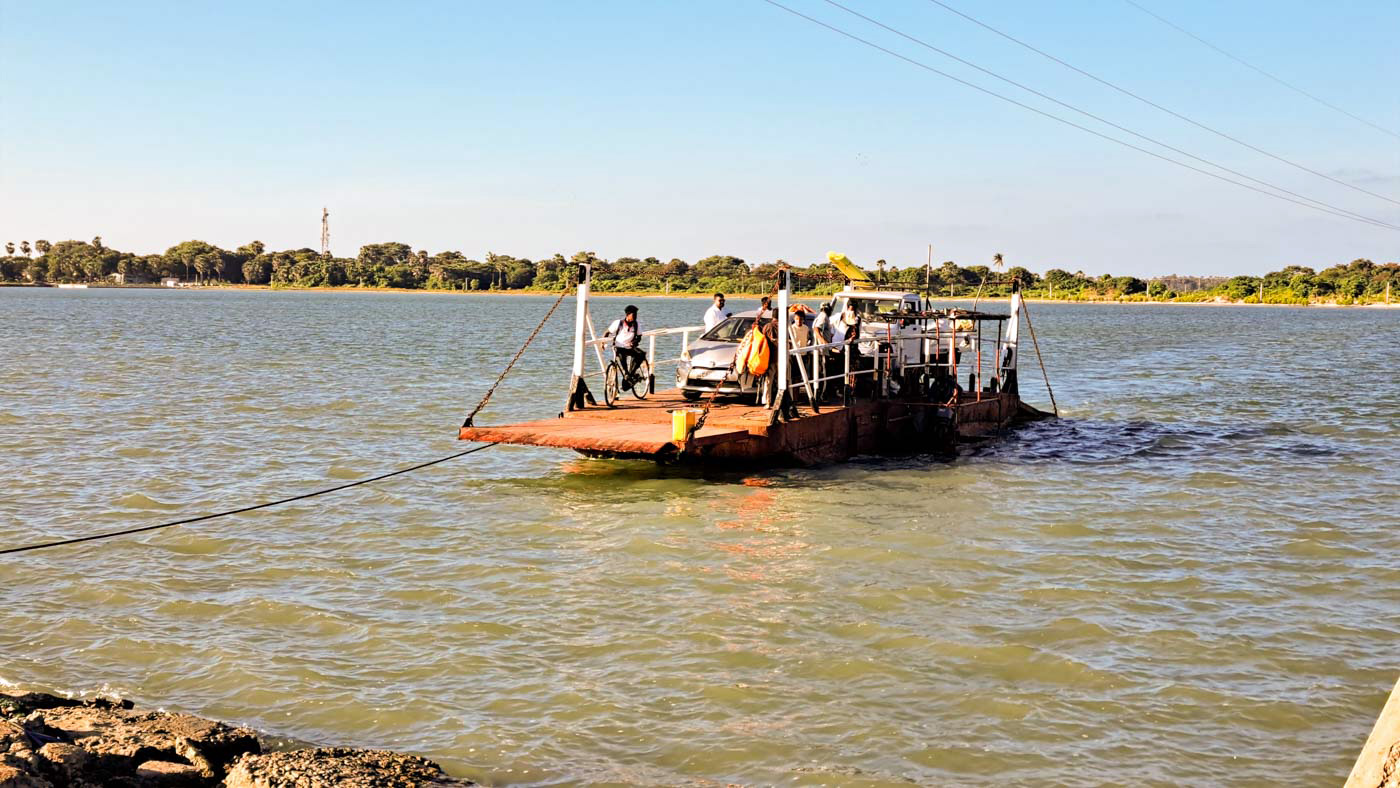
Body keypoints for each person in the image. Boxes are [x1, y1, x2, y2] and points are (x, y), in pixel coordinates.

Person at [604, 305, 646, 381]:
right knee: (621, 356)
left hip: (630, 347)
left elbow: (639, 337)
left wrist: (635, 342)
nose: (635, 317)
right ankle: (626, 374)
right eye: (634, 315)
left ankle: (631, 374)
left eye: (636, 314)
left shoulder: (636, 324)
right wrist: (603, 343)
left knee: (641, 354)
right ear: (628, 315)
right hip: (619, 347)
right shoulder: (618, 323)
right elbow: (607, 332)